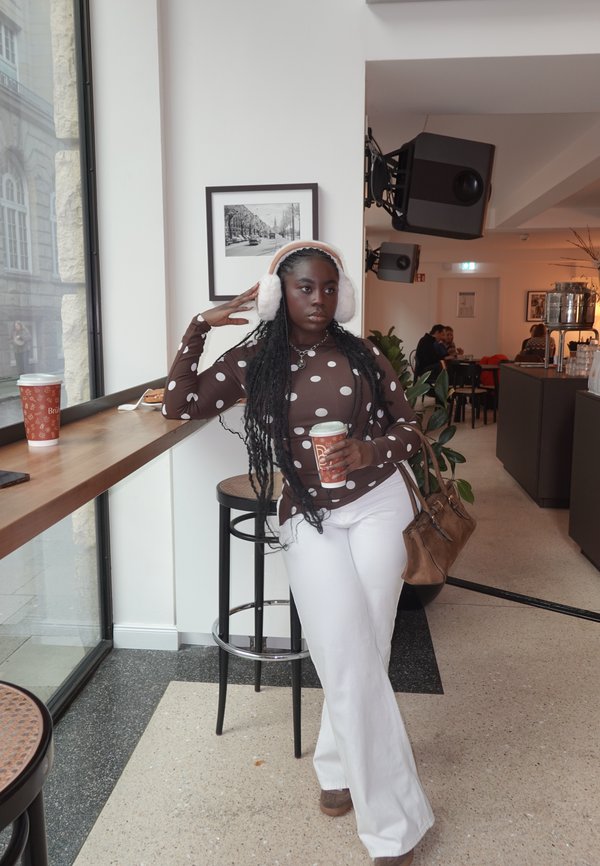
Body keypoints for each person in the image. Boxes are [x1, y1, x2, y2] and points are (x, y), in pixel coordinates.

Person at [164, 240, 434, 866]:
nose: (319, 300)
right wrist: (199, 328)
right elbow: (179, 405)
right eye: (305, 288)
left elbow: (409, 428)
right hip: (308, 513)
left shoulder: (362, 354)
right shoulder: (256, 359)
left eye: (329, 288)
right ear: (277, 294)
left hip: (378, 502)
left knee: (371, 643)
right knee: (344, 647)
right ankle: (394, 822)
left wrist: (368, 452)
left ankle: (338, 770)